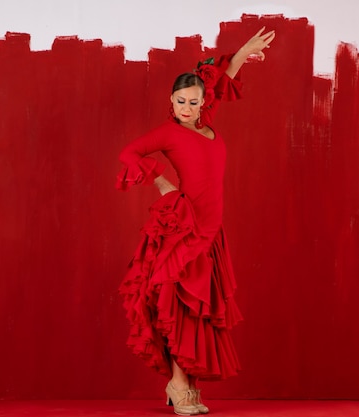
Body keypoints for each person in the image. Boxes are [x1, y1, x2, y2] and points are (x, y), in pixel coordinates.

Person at [115, 27, 276, 416]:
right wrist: (160, 180)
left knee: (199, 309)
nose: (188, 108)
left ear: (203, 103)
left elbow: (222, 83)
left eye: (194, 101)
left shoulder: (205, 122)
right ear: (172, 100)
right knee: (181, 307)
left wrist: (243, 52)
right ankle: (178, 383)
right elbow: (128, 153)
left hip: (212, 228)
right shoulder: (169, 132)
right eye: (181, 101)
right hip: (186, 227)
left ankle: (186, 384)